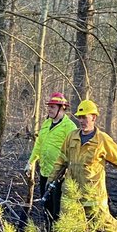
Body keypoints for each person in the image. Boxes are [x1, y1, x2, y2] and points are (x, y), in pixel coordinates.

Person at [48, 98, 117, 229]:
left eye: (84, 117)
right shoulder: (71, 137)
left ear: (94, 118)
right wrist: (51, 180)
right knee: (68, 223)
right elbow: (61, 160)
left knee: (102, 222)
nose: (81, 121)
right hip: (71, 190)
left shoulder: (102, 139)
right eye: (79, 117)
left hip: (93, 191)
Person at [26, 91, 76, 221]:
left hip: (60, 175)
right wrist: (31, 162)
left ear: (62, 108)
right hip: (44, 172)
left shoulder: (70, 127)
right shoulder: (46, 124)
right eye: (49, 106)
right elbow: (39, 145)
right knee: (46, 205)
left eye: (52, 107)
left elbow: (73, 151)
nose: (49, 109)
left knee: (57, 209)